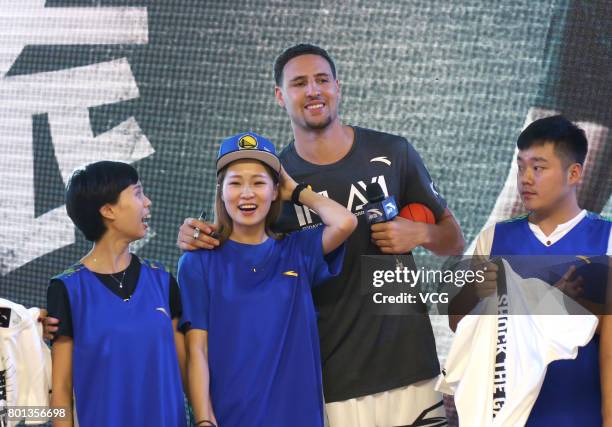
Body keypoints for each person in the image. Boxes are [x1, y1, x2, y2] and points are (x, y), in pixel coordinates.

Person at [178, 44, 465, 426]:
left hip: (411, 364)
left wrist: (421, 233)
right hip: (332, 379)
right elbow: (236, 237)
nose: (313, 91)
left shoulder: (392, 151)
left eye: (321, 80)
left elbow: (454, 240)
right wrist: (195, 234)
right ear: (280, 96)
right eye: (298, 83)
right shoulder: (274, 183)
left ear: (337, 87)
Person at [179, 132, 356, 427]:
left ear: (276, 191)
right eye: (235, 183)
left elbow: (345, 221)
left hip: (299, 417)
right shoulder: (198, 262)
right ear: (220, 191)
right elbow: (197, 350)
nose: (246, 193)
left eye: (259, 182)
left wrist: (297, 191)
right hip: (231, 416)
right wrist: (203, 420)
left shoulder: (298, 250)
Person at [449, 115, 611, 426]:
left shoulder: (606, 238)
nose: (525, 178)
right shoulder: (494, 237)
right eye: (521, 166)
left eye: (538, 168)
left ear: (574, 173)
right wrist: (479, 292)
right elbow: (459, 322)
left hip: (574, 414)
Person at [47, 161, 186, 427]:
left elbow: (188, 371)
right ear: (108, 210)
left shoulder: (162, 280)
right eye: (137, 193)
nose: (147, 202)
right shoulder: (66, 288)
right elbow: (61, 391)